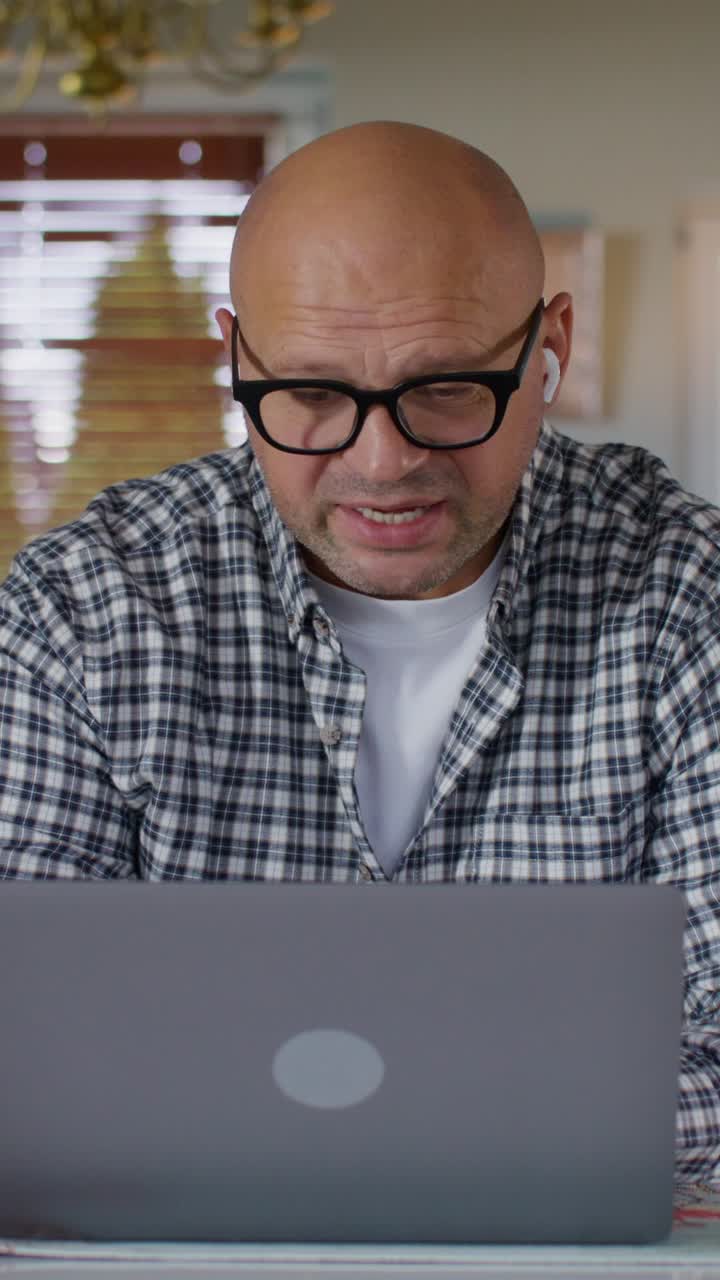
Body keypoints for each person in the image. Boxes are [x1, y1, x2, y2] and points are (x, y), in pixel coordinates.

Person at [0, 121, 718, 1185]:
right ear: (235, 353)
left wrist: (331, 1123)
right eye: (313, 394)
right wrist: (511, 1113)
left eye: (447, 387)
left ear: (550, 343)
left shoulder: (686, 600)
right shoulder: (83, 615)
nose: (383, 464)